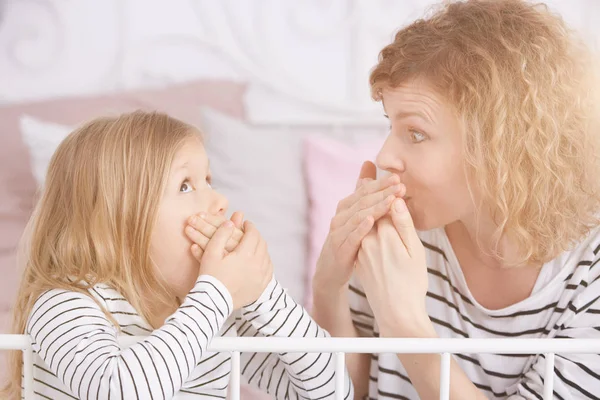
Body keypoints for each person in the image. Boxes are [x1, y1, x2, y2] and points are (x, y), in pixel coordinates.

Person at [311, 0, 600, 399]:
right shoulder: (399, 238)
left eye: (415, 134)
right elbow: (349, 390)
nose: (384, 157)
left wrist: (407, 324)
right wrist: (329, 288)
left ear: (500, 147)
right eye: (390, 126)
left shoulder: (589, 271)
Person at [1, 111, 355, 400]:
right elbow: (115, 390)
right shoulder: (66, 303)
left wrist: (265, 295)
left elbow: (331, 393)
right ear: (116, 219)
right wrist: (214, 294)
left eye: (209, 180)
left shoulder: (214, 316)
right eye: (185, 185)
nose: (219, 202)